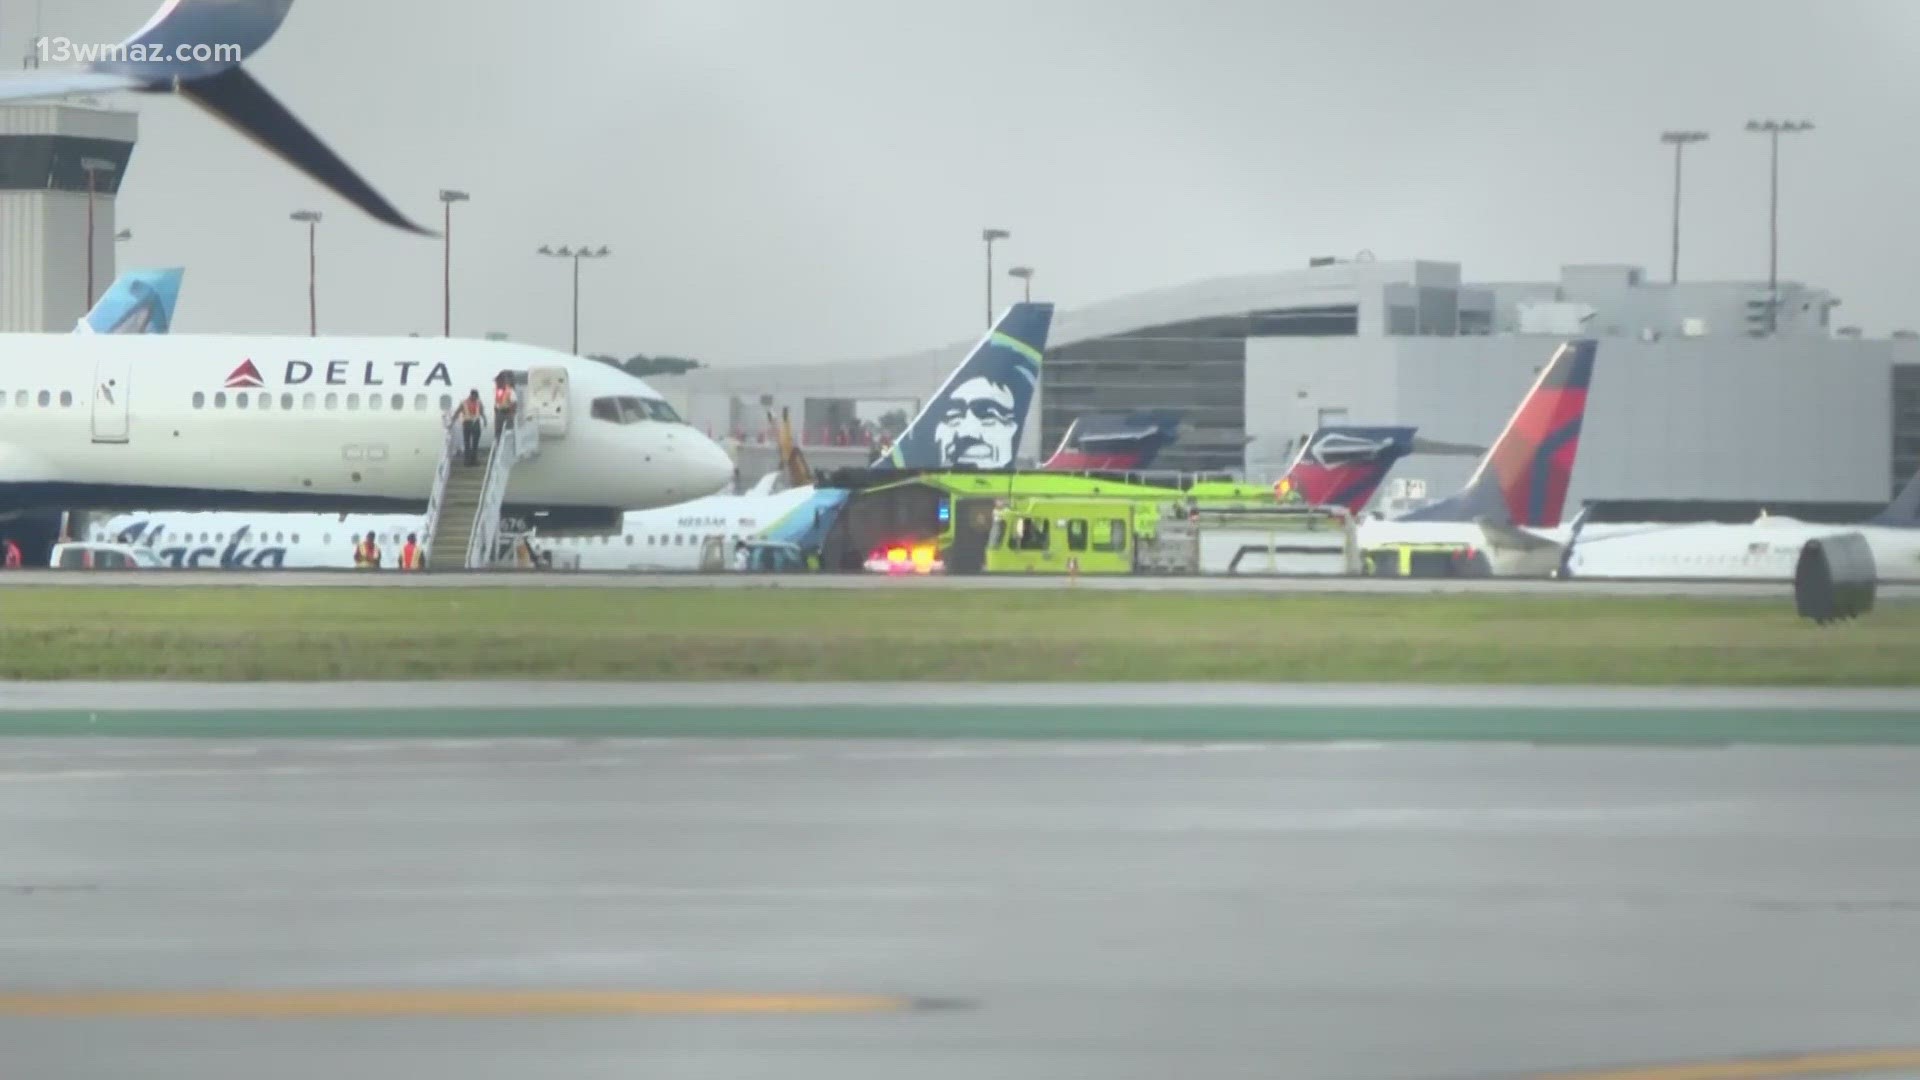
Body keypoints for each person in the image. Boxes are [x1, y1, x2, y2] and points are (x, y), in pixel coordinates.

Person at [459, 389, 485, 467]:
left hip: (475, 423)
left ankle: (474, 461)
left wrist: (485, 420)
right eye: (475, 396)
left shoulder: (478, 402)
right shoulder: (464, 402)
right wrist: (452, 421)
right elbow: (458, 411)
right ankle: (467, 461)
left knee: (475, 444)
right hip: (467, 423)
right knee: (467, 443)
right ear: (472, 395)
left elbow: (481, 412)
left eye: (477, 396)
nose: (476, 398)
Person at [493, 374, 518, 442]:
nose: (496, 383)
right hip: (499, 413)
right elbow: (497, 403)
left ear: (503, 381)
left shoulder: (510, 390)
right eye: (496, 382)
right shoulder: (497, 391)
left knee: (508, 431)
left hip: (507, 413)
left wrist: (511, 414)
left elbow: (514, 403)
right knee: (498, 431)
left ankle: (508, 444)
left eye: (498, 381)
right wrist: (496, 411)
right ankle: (498, 444)